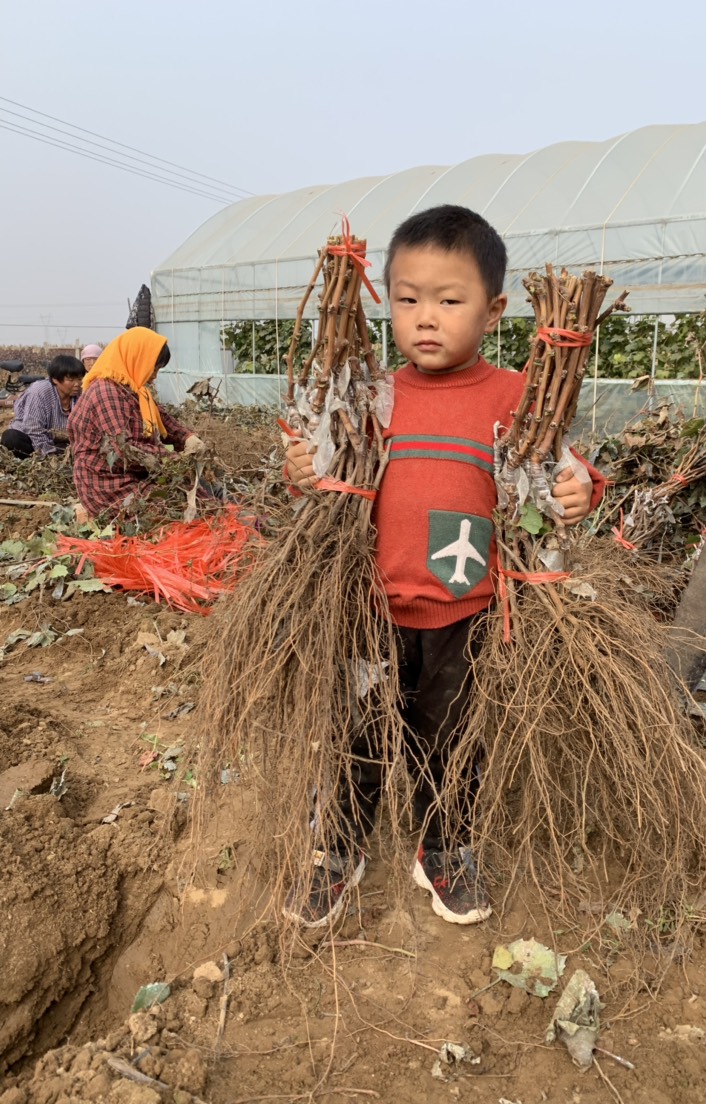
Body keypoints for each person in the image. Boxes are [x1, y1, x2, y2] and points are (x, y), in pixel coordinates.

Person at [283, 205, 605, 928]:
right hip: (367, 609)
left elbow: (563, 468)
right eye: (407, 299)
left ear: (493, 311)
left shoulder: (514, 396)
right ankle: (337, 848)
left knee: (454, 740)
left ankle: (444, 849)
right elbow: (318, 471)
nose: (425, 318)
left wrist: (579, 487)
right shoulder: (371, 396)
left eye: (449, 301)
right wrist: (301, 469)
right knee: (357, 736)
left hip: (467, 611)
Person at [68, 327, 206, 518]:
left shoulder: (132, 388)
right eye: (154, 368)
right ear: (137, 358)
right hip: (107, 483)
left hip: (135, 474)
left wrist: (188, 438)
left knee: (200, 496)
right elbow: (124, 451)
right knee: (177, 509)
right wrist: (176, 459)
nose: (154, 375)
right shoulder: (106, 391)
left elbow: (162, 418)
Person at [0, 354, 85, 458]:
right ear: (55, 379)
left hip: (57, 441)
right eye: (71, 380)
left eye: (79, 379)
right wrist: (50, 456)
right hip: (31, 438)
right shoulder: (39, 392)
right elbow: (34, 430)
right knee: (11, 438)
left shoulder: (82, 393)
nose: (77, 384)